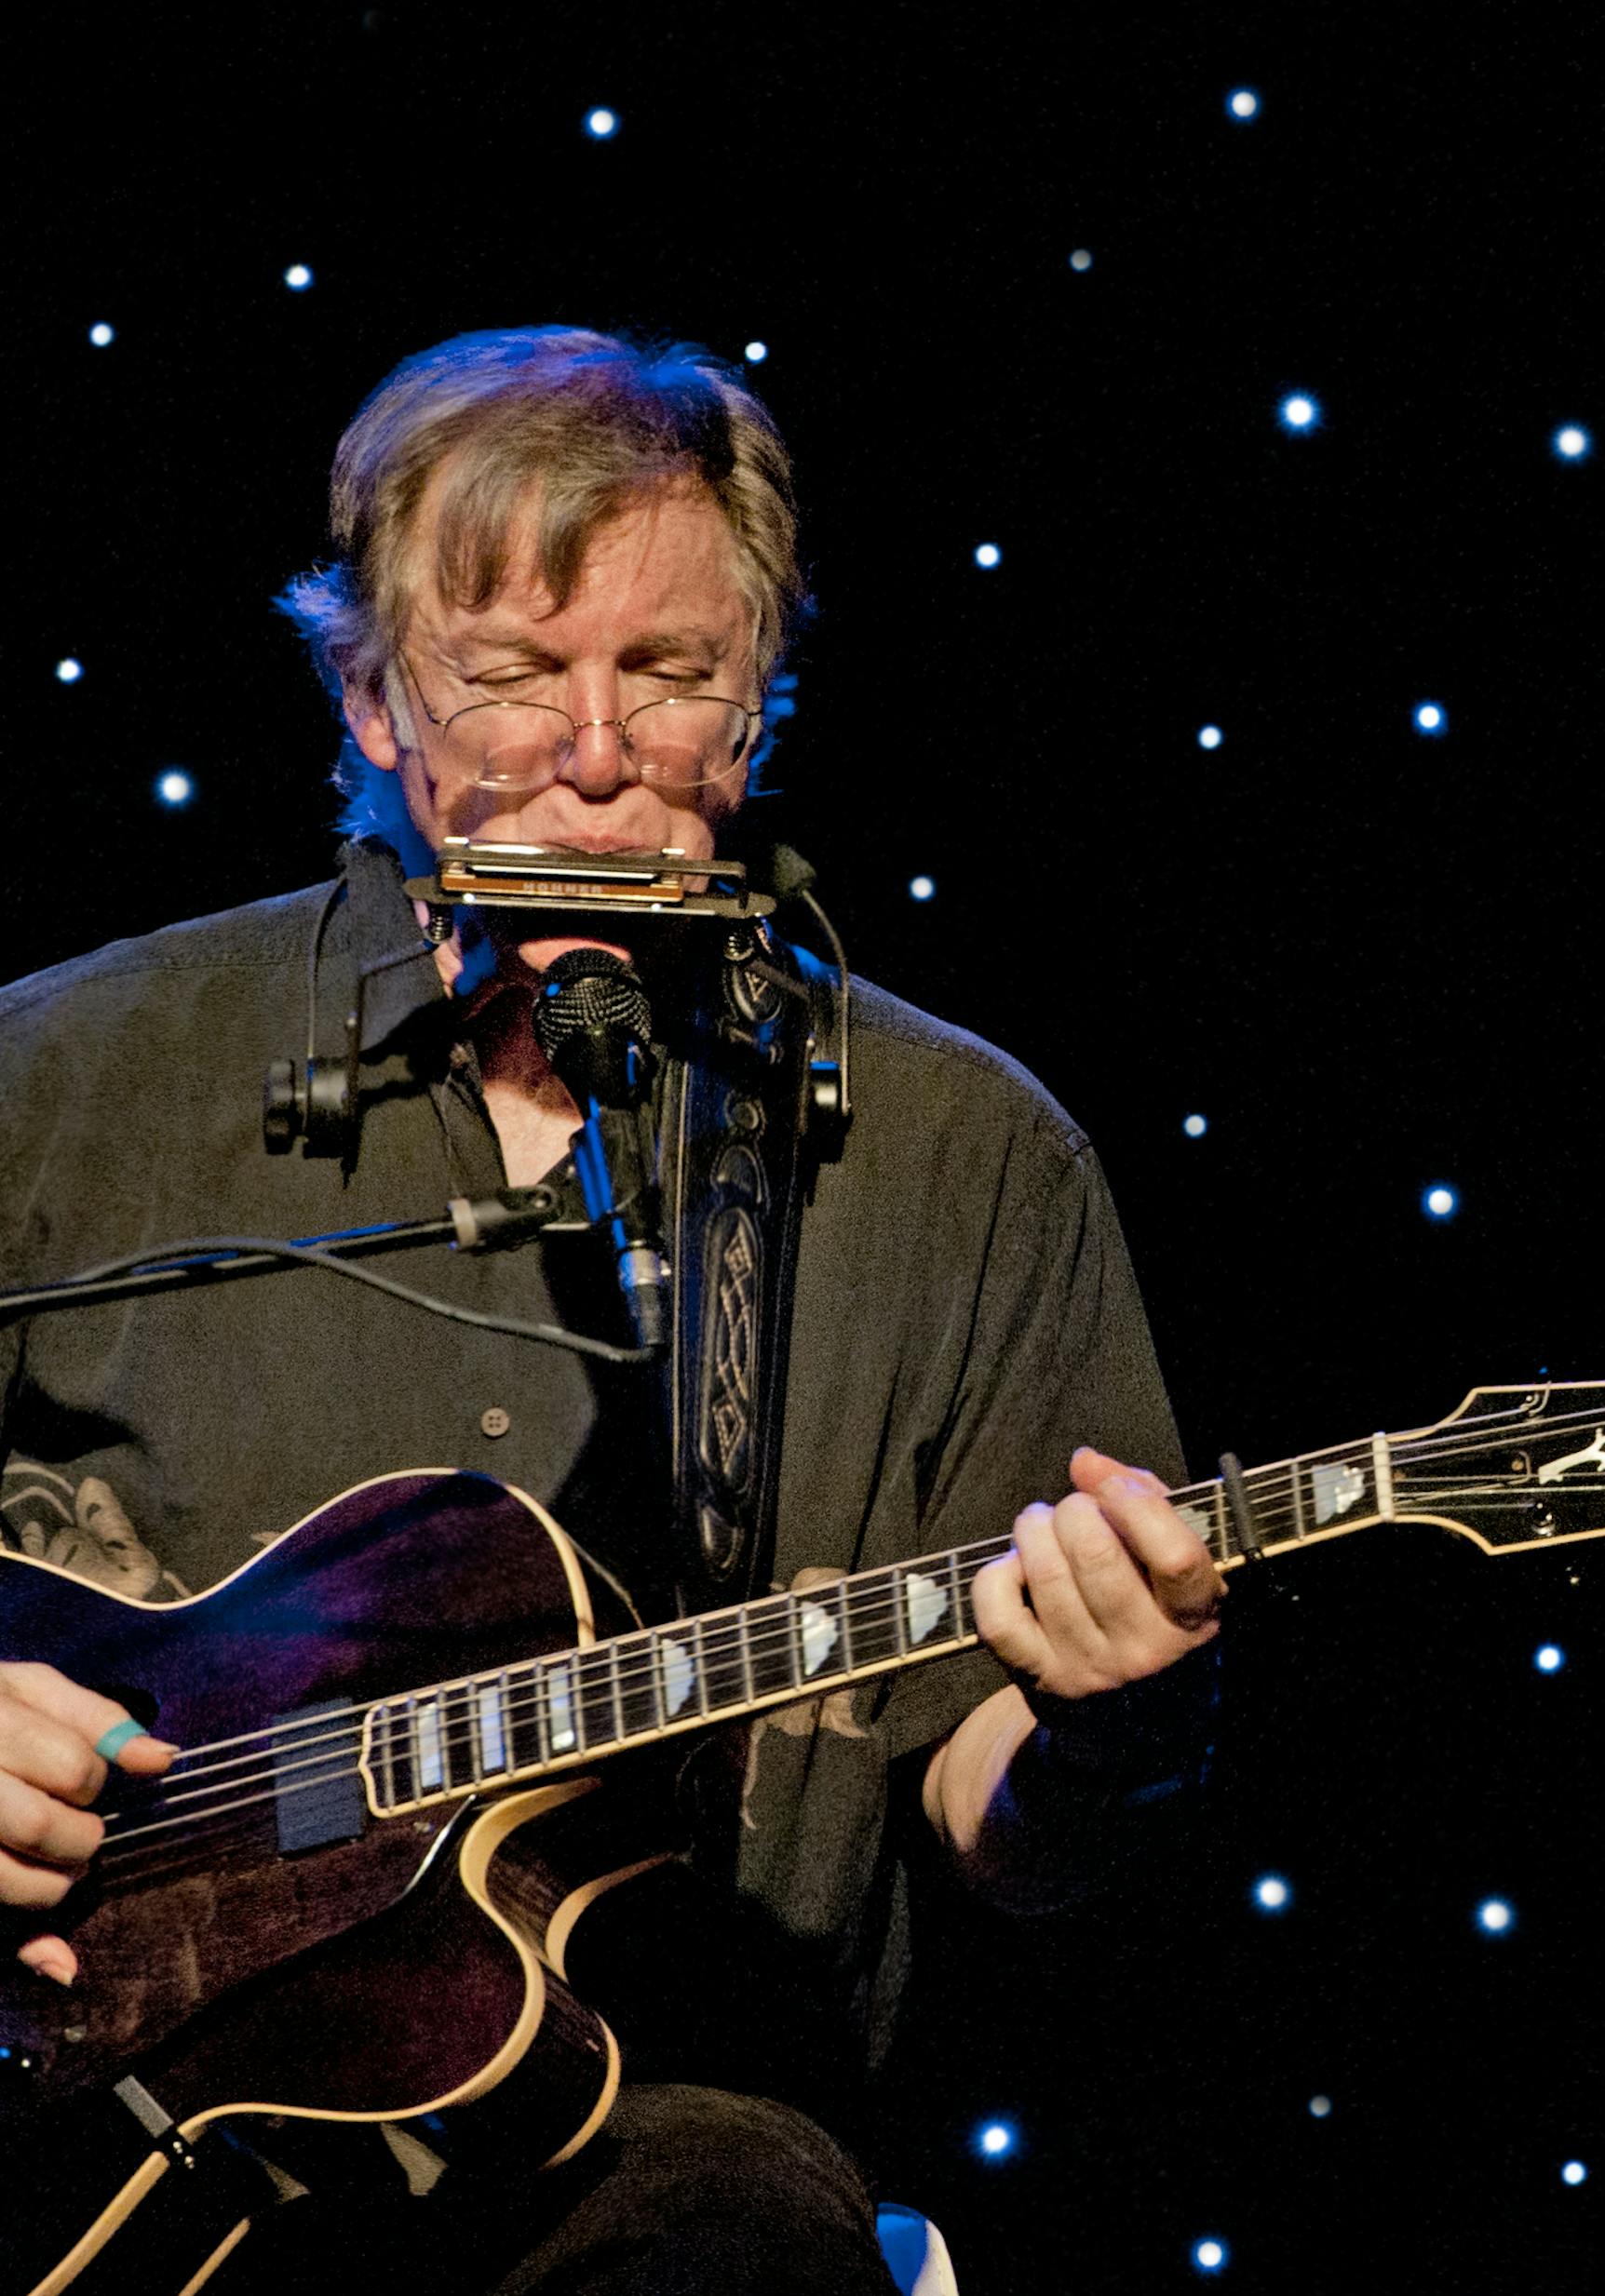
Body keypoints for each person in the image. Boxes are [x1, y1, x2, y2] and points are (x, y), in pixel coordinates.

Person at [0, 329, 1223, 2294]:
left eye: (666, 678)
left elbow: (1021, 1840)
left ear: (760, 710)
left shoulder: (960, 1160)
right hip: (95, 2136)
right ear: (374, 698)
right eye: (508, 675)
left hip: (652, 2158)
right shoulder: (69, 1077)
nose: (590, 757)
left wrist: (1112, 1726)